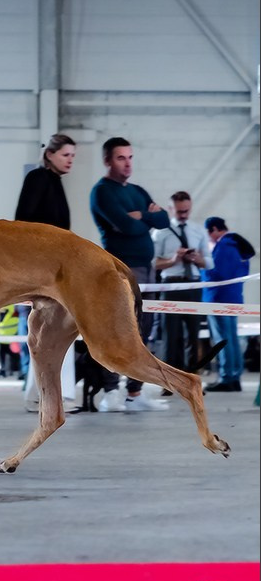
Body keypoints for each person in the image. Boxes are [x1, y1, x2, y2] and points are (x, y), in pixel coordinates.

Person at [89, 136, 170, 412]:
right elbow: (125, 226)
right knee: (117, 328)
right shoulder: (102, 192)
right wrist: (145, 218)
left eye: (130, 157)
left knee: (144, 329)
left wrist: (143, 217)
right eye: (121, 158)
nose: (127, 163)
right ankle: (111, 391)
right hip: (120, 267)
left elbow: (165, 221)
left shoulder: (137, 191)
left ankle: (135, 392)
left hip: (147, 268)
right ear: (107, 161)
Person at [14, 134, 78, 410]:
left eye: (72, 156)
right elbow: (24, 223)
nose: (70, 160)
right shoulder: (39, 179)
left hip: (52, 266)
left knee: (53, 329)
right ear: (50, 154)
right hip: (42, 268)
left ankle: (45, 394)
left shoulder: (53, 181)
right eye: (66, 155)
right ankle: (42, 394)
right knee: (48, 329)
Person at [151, 191, 213, 385]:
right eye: (179, 211)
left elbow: (209, 263)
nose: (184, 214)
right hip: (171, 286)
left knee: (193, 336)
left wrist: (197, 259)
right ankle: (171, 382)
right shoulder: (160, 232)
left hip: (193, 284)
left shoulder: (198, 230)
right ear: (171, 209)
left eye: (186, 210)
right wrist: (173, 260)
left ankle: (193, 382)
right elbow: (152, 263)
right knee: (171, 336)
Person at [202, 216, 255, 393]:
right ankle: (235, 377)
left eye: (209, 234)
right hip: (233, 297)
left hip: (218, 298)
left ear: (214, 230)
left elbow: (218, 274)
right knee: (231, 338)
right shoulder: (237, 246)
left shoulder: (224, 246)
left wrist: (200, 266)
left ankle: (227, 377)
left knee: (222, 340)